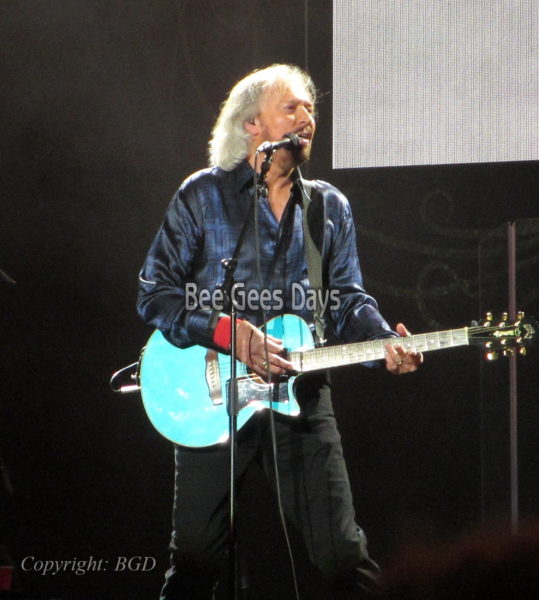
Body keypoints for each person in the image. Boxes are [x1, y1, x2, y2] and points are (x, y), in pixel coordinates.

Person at [137, 64, 422, 599]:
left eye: (310, 108)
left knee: (344, 559)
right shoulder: (203, 196)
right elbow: (155, 295)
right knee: (195, 563)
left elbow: (345, 300)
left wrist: (383, 340)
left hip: (302, 398)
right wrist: (228, 333)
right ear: (252, 125)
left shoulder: (329, 207)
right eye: (292, 108)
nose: (307, 118)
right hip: (211, 397)